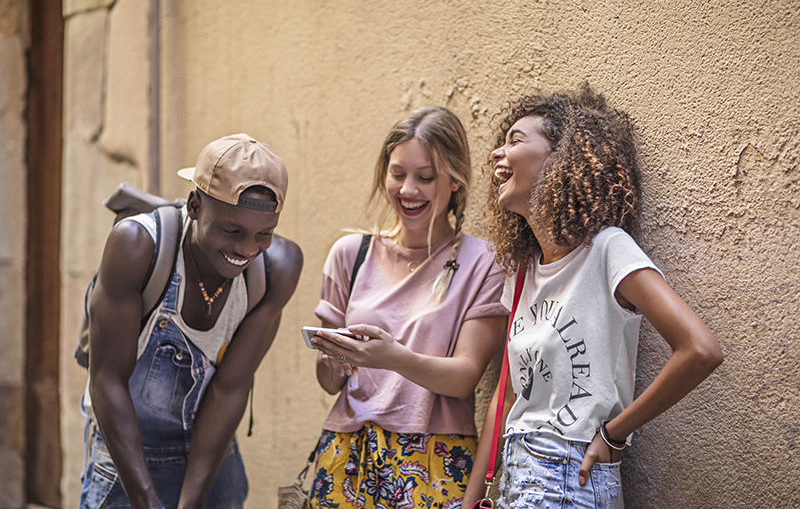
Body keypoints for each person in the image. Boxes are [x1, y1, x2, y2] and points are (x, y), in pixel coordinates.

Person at [462, 84, 724, 509]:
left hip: (570, 476)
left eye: (515, 140)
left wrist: (613, 432)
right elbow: (508, 397)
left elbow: (700, 349)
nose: (496, 154)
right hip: (515, 475)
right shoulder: (523, 273)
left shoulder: (607, 249)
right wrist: (472, 501)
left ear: (559, 159)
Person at [80, 134, 303, 509]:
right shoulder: (136, 247)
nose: (248, 249)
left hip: (211, 456)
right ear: (195, 205)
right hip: (126, 454)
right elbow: (107, 381)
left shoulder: (278, 269)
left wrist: (192, 500)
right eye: (232, 231)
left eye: (264, 233)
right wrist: (146, 501)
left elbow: (230, 388)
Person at [307, 107, 508, 509]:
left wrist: (392, 358)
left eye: (425, 177)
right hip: (348, 455)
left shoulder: (484, 261)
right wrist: (335, 359)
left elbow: (465, 378)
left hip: (436, 463)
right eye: (397, 174)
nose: (408, 190)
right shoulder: (351, 254)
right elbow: (329, 383)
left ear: (455, 180)